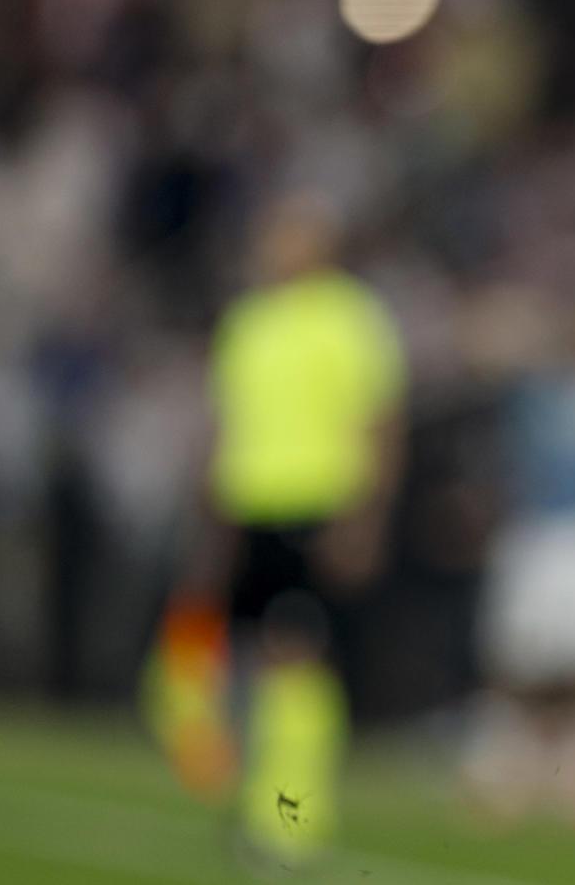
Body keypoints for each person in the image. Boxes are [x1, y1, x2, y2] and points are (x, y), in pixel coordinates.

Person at [165, 192, 407, 866]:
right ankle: (257, 798)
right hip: (248, 508)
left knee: (294, 656)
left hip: (317, 504)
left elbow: (380, 423)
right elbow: (223, 424)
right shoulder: (247, 321)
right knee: (241, 661)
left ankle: (290, 814)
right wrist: (210, 516)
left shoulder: (352, 318)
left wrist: (364, 517)